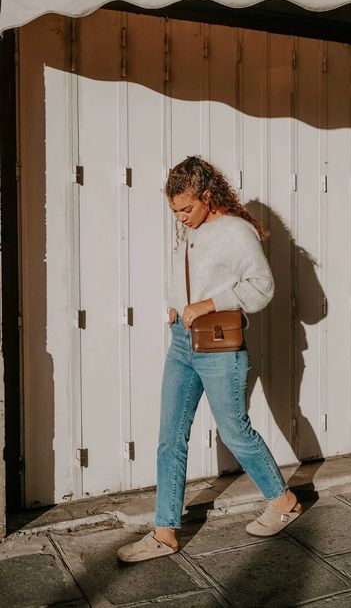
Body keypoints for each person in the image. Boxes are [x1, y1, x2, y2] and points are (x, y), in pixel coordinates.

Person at [117, 155, 301, 562]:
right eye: (174, 210)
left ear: (206, 195)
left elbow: (261, 287)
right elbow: (191, 273)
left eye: (186, 208)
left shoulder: (236, 231)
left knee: (235, 431)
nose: (180, 217)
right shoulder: (195, 227)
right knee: (170, 437)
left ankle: (284, 501)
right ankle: (164, 531)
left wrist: (208, 304)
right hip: (183, 343)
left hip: (219, 345)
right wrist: (176, 305)